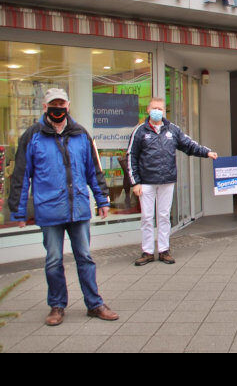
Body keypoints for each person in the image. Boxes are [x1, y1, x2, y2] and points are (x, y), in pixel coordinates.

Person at [8, 88, 119, 326]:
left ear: (68, 106)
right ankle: (57, 306)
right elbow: (21, 175)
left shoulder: (81, 134)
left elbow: (94, 171)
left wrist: (102, 200)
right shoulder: (32, 136)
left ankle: (95, 304)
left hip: (78, 208)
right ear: (45, 107)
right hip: (49, 210)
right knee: (53, 260)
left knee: (85, 258)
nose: (58, 108)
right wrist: (18, 212)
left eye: (61, 103)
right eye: (53, 104)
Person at [127, 97, 218, 266]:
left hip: (167, 180)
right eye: (154, 108)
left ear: (164, 111)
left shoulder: (172, 129)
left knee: (163, 216)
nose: (157, 111)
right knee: (147, 217)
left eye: (160, 108)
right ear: (148, 110)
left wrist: (207, 152)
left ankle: (164, 250)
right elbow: (131, 156)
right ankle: (147, 252)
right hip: (146, 181)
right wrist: (135, 182)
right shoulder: (140, 131)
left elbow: (189, 145)